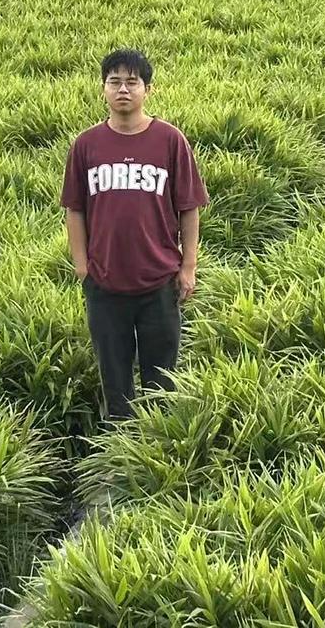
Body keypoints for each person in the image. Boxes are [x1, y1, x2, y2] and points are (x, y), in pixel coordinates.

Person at [59, 48, 209, 421]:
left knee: (162, 381)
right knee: (115, 380)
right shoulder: (86, 145)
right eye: (114, 82)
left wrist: (188, 266)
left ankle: (157, 454)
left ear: (147, 89)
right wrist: (82, 267)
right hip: (105, 284)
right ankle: (119, 458)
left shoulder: (170, 141)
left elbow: (189, 207)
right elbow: (74, 208)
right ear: (103, 89)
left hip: (159, 280)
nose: (122, 90)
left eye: (132, 82)